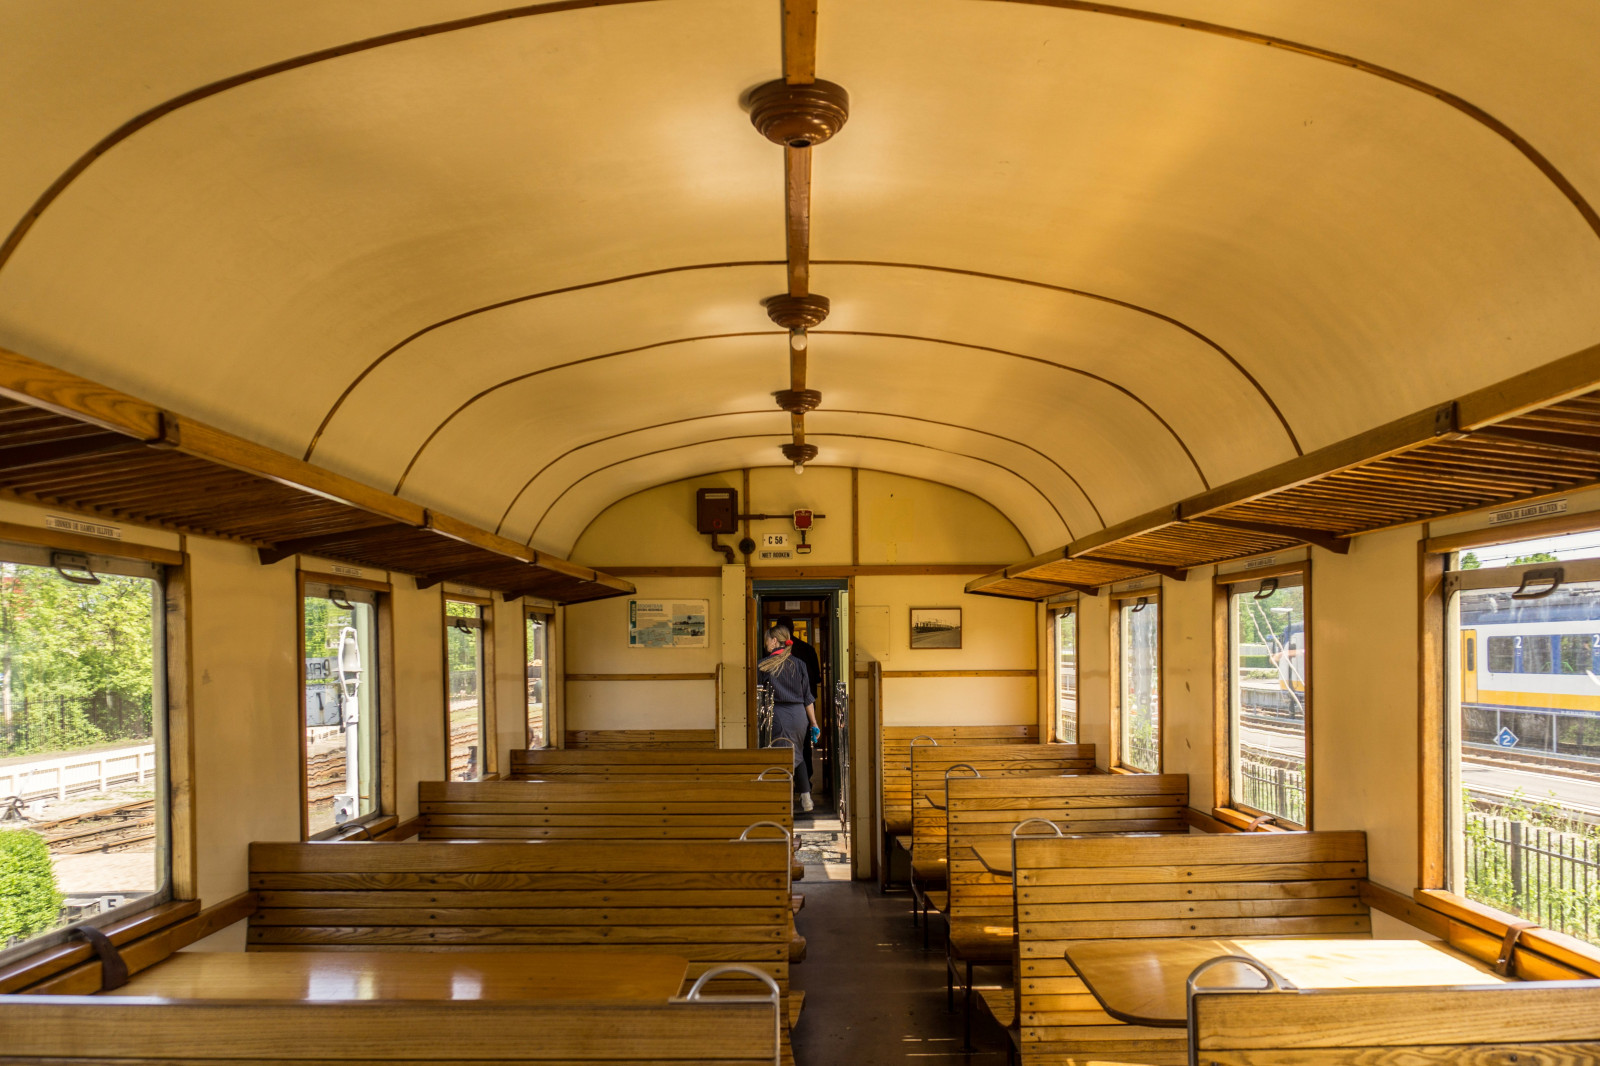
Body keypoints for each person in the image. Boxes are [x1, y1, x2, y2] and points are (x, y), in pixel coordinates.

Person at [758, 623, 819, 812]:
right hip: (800, 715)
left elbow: (759, 695)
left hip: (778, 714)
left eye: (767, 640)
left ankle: (782, 800)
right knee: (796, 753)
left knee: (779, 756)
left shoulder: (765, 665)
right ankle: (805, 797)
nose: (766, 643)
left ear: (775, 640)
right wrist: (814, 724)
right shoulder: (799, 664)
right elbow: (808, 697)